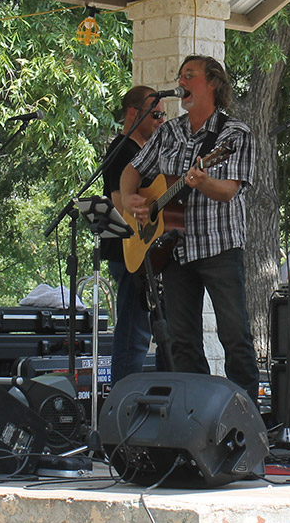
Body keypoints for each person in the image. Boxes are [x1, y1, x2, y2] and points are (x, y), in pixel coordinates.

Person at [119, 56, 259, 398]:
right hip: (174, 250)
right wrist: (130, 199)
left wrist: (203, 182)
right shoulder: (169, 131)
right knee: (182, 341)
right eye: (180, 76)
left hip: (219, 246)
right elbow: (132, 170)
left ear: (213, 83)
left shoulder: (235, 133)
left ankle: (244, 411)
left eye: (189, 75)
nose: (181, 82)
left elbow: (228, 191)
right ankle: (195, 410)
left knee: (234, 335)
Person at [102, 85, 167, 383]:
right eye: (155, 115)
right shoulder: (122, 150)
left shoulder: (144, 153)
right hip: (129, 252)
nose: (161, 121)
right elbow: (120, 203)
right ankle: (123, 398)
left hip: (147, 253)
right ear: (133, 113)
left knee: (162, 330)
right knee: (133, 334)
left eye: (163, 116)